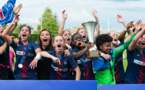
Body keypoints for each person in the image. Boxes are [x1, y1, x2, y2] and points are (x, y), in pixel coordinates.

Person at [1, 14, 41, 80]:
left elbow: (39, 53)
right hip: (19, 76)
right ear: (19, 34)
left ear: (29, 34)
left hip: (31, 76)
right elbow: (4, 34)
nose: (24, 31)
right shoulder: (16, 44)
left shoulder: (33, 44)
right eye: (22, 30)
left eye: (26, 30)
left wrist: (36, 58)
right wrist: (13, 22)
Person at [109, 15, 134, 83]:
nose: (116, 36)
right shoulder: (104, 51)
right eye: (113, 35)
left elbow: (131, 36)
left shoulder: (120, 47)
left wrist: (123, 22)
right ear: (108, 38)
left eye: (116, 35)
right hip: (109, 81)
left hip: (120, 79)